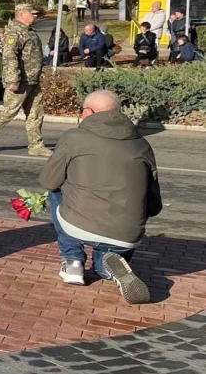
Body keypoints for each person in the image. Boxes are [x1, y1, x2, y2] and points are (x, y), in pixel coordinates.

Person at [38, 90, 160, 304]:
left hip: (79, 224)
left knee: (57, 190)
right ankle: (108, 267)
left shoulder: (73, 138)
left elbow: (48, 181)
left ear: (88, 112)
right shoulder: (141, 144)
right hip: (127, 233)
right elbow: (153, 202)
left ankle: (72, 261)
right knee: (107, 258)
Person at [0, 4, 50, 157]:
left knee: (35, 112)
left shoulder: (29, 31)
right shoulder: (14, 32)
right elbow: (10, 57)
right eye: (32, 13)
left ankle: (36, 145)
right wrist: (13, 80)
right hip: (21, 81)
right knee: (9, 111)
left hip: (32, 79)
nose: (35, 16)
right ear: (22, 14)